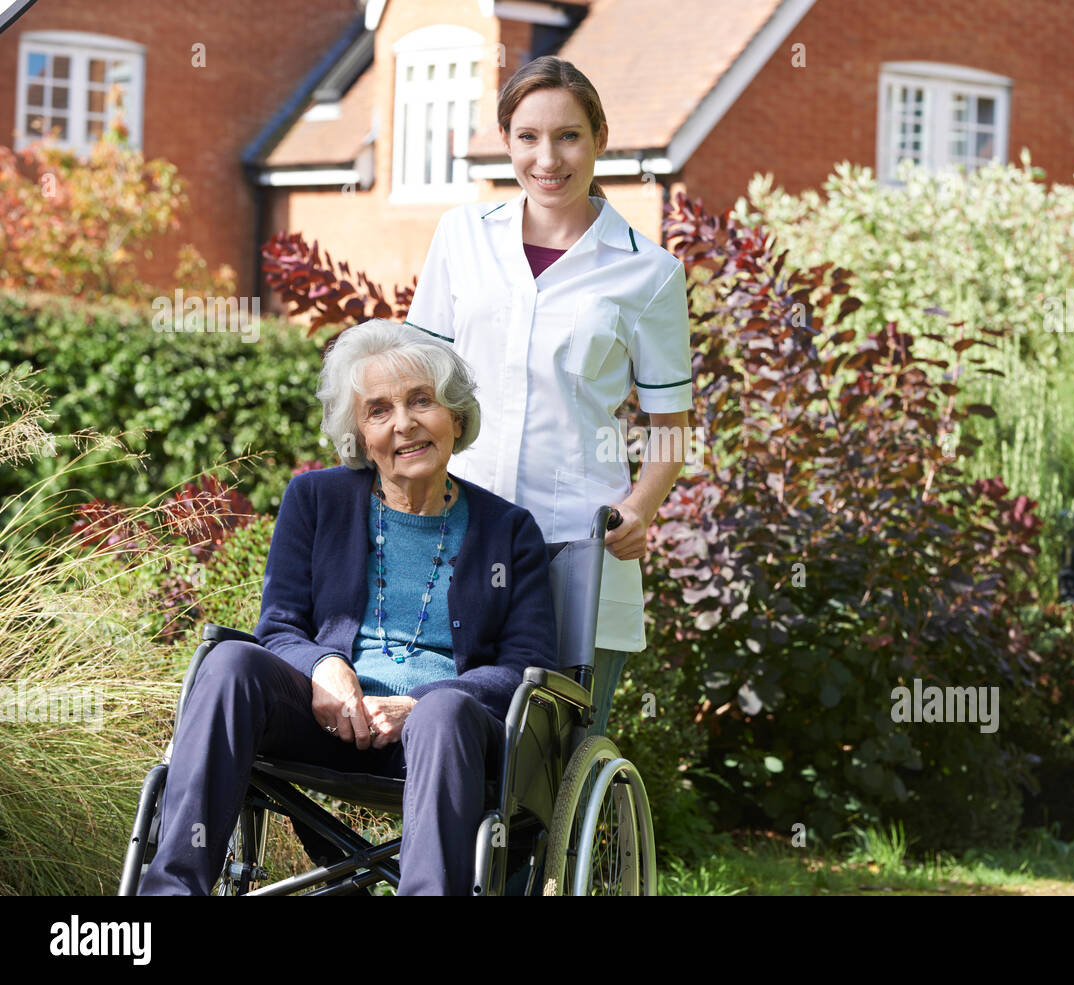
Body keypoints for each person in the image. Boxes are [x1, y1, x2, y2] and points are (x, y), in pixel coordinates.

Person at [138, 319, 557, 896]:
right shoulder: (314, 499)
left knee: (444, 714)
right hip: (323, 720)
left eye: (421, 402)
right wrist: (322, 667)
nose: (403, 424)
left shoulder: (510, 531)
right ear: (360, 436)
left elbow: (525, 668)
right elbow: (279, 626)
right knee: (231, 662)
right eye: (378, 410)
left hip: (440, 742)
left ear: (455, 419)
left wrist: (421, 703)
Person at [404, 56, 692, 736]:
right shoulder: (461, 237)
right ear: (506, 140)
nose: (548, 158)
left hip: (577, 548)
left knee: (552, 756)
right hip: (454, 531)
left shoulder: (648, 273)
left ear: (599, 137)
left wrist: (639, 507)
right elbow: (413, 382)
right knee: (440, 732)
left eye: (568, 136)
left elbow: (671, 425)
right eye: (528, 136)